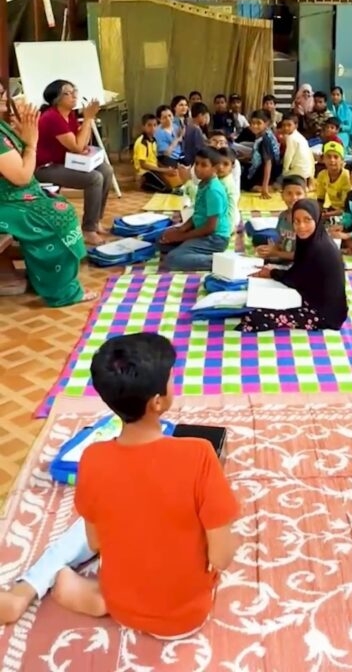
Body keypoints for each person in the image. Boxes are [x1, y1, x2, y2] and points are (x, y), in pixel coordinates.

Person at [0, 333, 239, 634]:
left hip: (123, 602)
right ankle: (96, 596)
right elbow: (222, 556)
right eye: (171, 379)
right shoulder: (199, 455)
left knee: (112, 519)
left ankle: (87, 595)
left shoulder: (93, 459)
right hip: (186, 617)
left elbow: (97, 542)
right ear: (157, 402)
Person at [0, 85, 95, 307]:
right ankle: (61, 291)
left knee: (60, 205)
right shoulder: (52, 117)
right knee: (57, 219)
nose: (5, 97)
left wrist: (25, 136)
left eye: (4, 92)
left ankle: (45, 279)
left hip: (17, 193)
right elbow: (23, 176)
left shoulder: (3, 125)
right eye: (68, 93)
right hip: (8, 199)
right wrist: (31, 143)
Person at [237, 199, 348, 334]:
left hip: (324, 313)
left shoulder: (319, 249)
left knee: (255, 317)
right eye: (297, 221)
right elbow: (300, 271)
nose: (301, 226)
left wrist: (272, 273)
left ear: (317, 219)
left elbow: (297, 279)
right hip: (313, 297)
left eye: (307, 220)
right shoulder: (312, 240)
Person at [35, 80, 113, 247]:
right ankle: (88, 230)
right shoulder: (52, 117)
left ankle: (96, 220)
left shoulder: (68, 115)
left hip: (64, 161)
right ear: (57, 99)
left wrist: (85, 127)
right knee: (94, 178)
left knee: (106, 170)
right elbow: (77, 146)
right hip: (45, 167)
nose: (74, 95)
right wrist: (88, 119)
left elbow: (81, 143)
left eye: (74, 91)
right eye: (68, 93)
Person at [160, 147, 231, 272]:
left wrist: (182, 237)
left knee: (172, 259)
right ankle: (190, 251)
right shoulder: (203, 184)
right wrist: (181, 229)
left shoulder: (213, 190)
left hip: (215, 238)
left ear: (215, 168)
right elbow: (199, 213)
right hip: (202, 231)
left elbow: (210, 228)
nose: (198, 168)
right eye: (196, 163)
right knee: (161, 240)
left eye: (204, 165)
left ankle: (217, 261)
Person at [255, 175, 307, 265]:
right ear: (282, 195)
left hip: (301, 264)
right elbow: (280, 242)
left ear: (305, 195)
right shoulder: (283, 216)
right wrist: (268, 250)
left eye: (298, 194)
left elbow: (305, 255)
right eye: (289, 193)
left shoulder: (306, 221)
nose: (294, 198)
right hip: (284, 260)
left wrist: (276, 253)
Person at [241, 110, 282, 199]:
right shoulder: (263, 135)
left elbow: (268, 163)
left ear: (266, 123)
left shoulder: (265, 140)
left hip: (267, 171)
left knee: (244, 183)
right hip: (263, 167)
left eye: (258, 123)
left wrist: (264, 187)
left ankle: (268, 186)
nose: (255, 126)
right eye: (252, 123)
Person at [133, 114, 179, 193]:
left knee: (175, 183)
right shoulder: (142, 143)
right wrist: (163, 170)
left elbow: (154, 159)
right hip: (146, 172)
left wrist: (166, 169)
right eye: (149, 125)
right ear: (143, 127)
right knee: (167, 189)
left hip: (154, 169)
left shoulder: (153, 140)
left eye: (155, 125)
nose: (152, 128)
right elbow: (143, 165)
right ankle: (144, 182)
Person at [316, 142, 351, 216]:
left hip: (348, 212)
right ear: (323, 159)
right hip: (333, 209)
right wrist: (319, 211)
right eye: (328, 156)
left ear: (342, 160)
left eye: (336, 157)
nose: (332, 160)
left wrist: (328, 214)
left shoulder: (347, 177)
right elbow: (320, 199)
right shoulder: (322, 175)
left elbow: (348, 207)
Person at [281, 113, 315, 185]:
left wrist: (285, 171)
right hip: (307, 171)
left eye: (289, 125)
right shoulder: (300, 136)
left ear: (296, 125)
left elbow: (288, 156)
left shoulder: (291, 138)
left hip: (298, 171)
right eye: (284, 125)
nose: (286, 128)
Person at [216, 147, 240, 232]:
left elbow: (231, 208)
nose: (220, 167)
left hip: (225, 225)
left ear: (232, 166)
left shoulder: (226, 184)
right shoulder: (217, 179)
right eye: (218, 163)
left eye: (225, 164)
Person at [330, 86, 352, 150]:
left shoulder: (347, 109)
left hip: (344, 133)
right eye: (333, 94)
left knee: (337, 146)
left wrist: (339, 128)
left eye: (338, 95)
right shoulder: (329, 108)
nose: (335, 97)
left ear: (342, 96)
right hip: (331, 132)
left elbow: (349, 127)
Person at [182, 102, 210, 166]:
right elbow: (199, 148)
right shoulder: (196, 129)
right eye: (205, 117)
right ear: (200, 115)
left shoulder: (187, 125)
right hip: (192, 161)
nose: (206, 120)